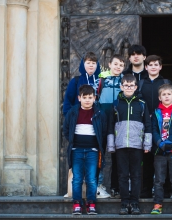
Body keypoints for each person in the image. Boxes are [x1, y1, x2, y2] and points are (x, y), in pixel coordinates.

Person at [107, 74, 152, 215]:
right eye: (126, 85)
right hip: (120, 145)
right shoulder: (115, 104)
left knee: (136, 175)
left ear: (136, 87)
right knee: (122, 175)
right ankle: (124, 202)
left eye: (131, 85)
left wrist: (147, 144)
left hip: (137, 145)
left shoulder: (142, 104)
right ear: (121, 87)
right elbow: (110, 126)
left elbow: (148, 125)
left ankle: (135, 203)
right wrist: (111, 145)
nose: (128, 88)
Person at [63, 85, 107, 215]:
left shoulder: (99, 113)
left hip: (92, 151)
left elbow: (103, 132)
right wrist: (73, 141)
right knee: (76, 178)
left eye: (90, 97)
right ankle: (77, 204)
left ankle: (91, 204)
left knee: (91, 179)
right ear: (79, 98)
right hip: (76, 150)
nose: (87, 100)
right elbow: (66, 129)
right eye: (84, 97)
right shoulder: (73, 112)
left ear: (94, 98)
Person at [138, 55, 172, 198]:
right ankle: (145, 191)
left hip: (162, 126)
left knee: (164, 158)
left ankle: (166, 191)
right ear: (145, 67)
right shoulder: (140, 83)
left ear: (160, 67)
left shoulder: (165, 82)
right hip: (144, 126)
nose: (153, 67)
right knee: (145, 159)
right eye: (150, 64)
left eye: (156, 64)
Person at [150, 84, 172, 215]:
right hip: (159, 151)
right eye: (163, 94)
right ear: (159, 97)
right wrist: (159, 142)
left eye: (169, 94)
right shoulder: (156, 112)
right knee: (158, 179)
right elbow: (153, 129)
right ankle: (157, 203)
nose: (166, 96)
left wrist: (169, 142)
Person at [97, 54, 126, 199]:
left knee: (118, 155)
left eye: (121, 65)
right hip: (102, 121)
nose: (118, 67)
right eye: (116, 64)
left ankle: (117, 187)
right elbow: (94, 99)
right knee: (100, 153)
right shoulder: (101, 80)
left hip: (119, 122)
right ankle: (98, 185)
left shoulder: (125, 81)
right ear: (109, 64)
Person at [63, 52, 101, 116]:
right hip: (79, 119)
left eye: (93, 63)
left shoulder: (101, 81)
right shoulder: (75, 81)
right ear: (83, 65)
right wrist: (69, 118)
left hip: (96, 118)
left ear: (97, 65)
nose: (91, 65)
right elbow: (68, 100)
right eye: (88, 63)